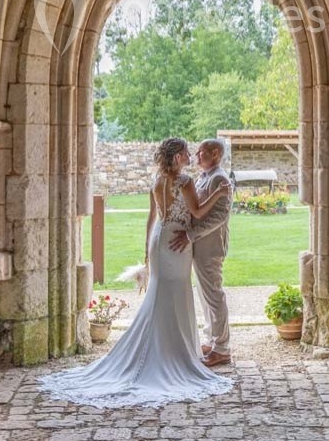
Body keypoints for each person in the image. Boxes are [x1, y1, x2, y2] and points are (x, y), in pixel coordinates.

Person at [38, 137, 234, 408]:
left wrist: (147, 252)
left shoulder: (157, 180)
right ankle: (175, 352)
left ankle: (168, 347)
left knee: (160, 293)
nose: (191, 154)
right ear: (177, 157)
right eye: (187, 152)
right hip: (178, 242)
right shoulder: (185, 182)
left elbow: (151, 218)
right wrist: (219, 193)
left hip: (159, 240)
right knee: (176, 293)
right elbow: (198, 212)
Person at [169, 138, 233, 366]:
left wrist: (190, 235)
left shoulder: (219, 179)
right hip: (200, 246)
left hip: (210, 246)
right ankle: (212, 340)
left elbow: (218, 217)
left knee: (214, 295)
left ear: (215, 153)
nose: (196, 156)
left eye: (201, 152)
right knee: (205, 295)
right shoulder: (205, 177)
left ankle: (223, 348)